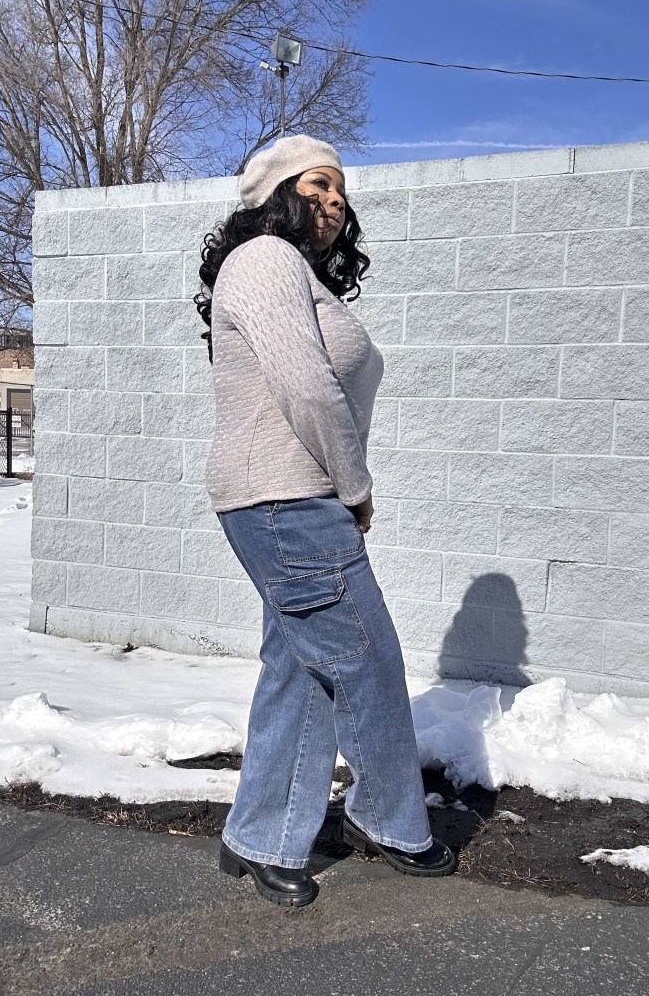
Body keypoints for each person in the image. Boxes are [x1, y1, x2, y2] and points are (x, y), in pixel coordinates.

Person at [195, 135, 455, 908]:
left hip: (287, 496)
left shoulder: (290, 272)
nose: (336, 199)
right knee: (368, 661)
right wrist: (355, 488)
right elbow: (308, 389)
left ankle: (259, 836)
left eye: (341, 189)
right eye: (318, 184)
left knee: (303, 669)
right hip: (287, 500)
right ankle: (389, 819)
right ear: (276, 193)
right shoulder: (266, 259)